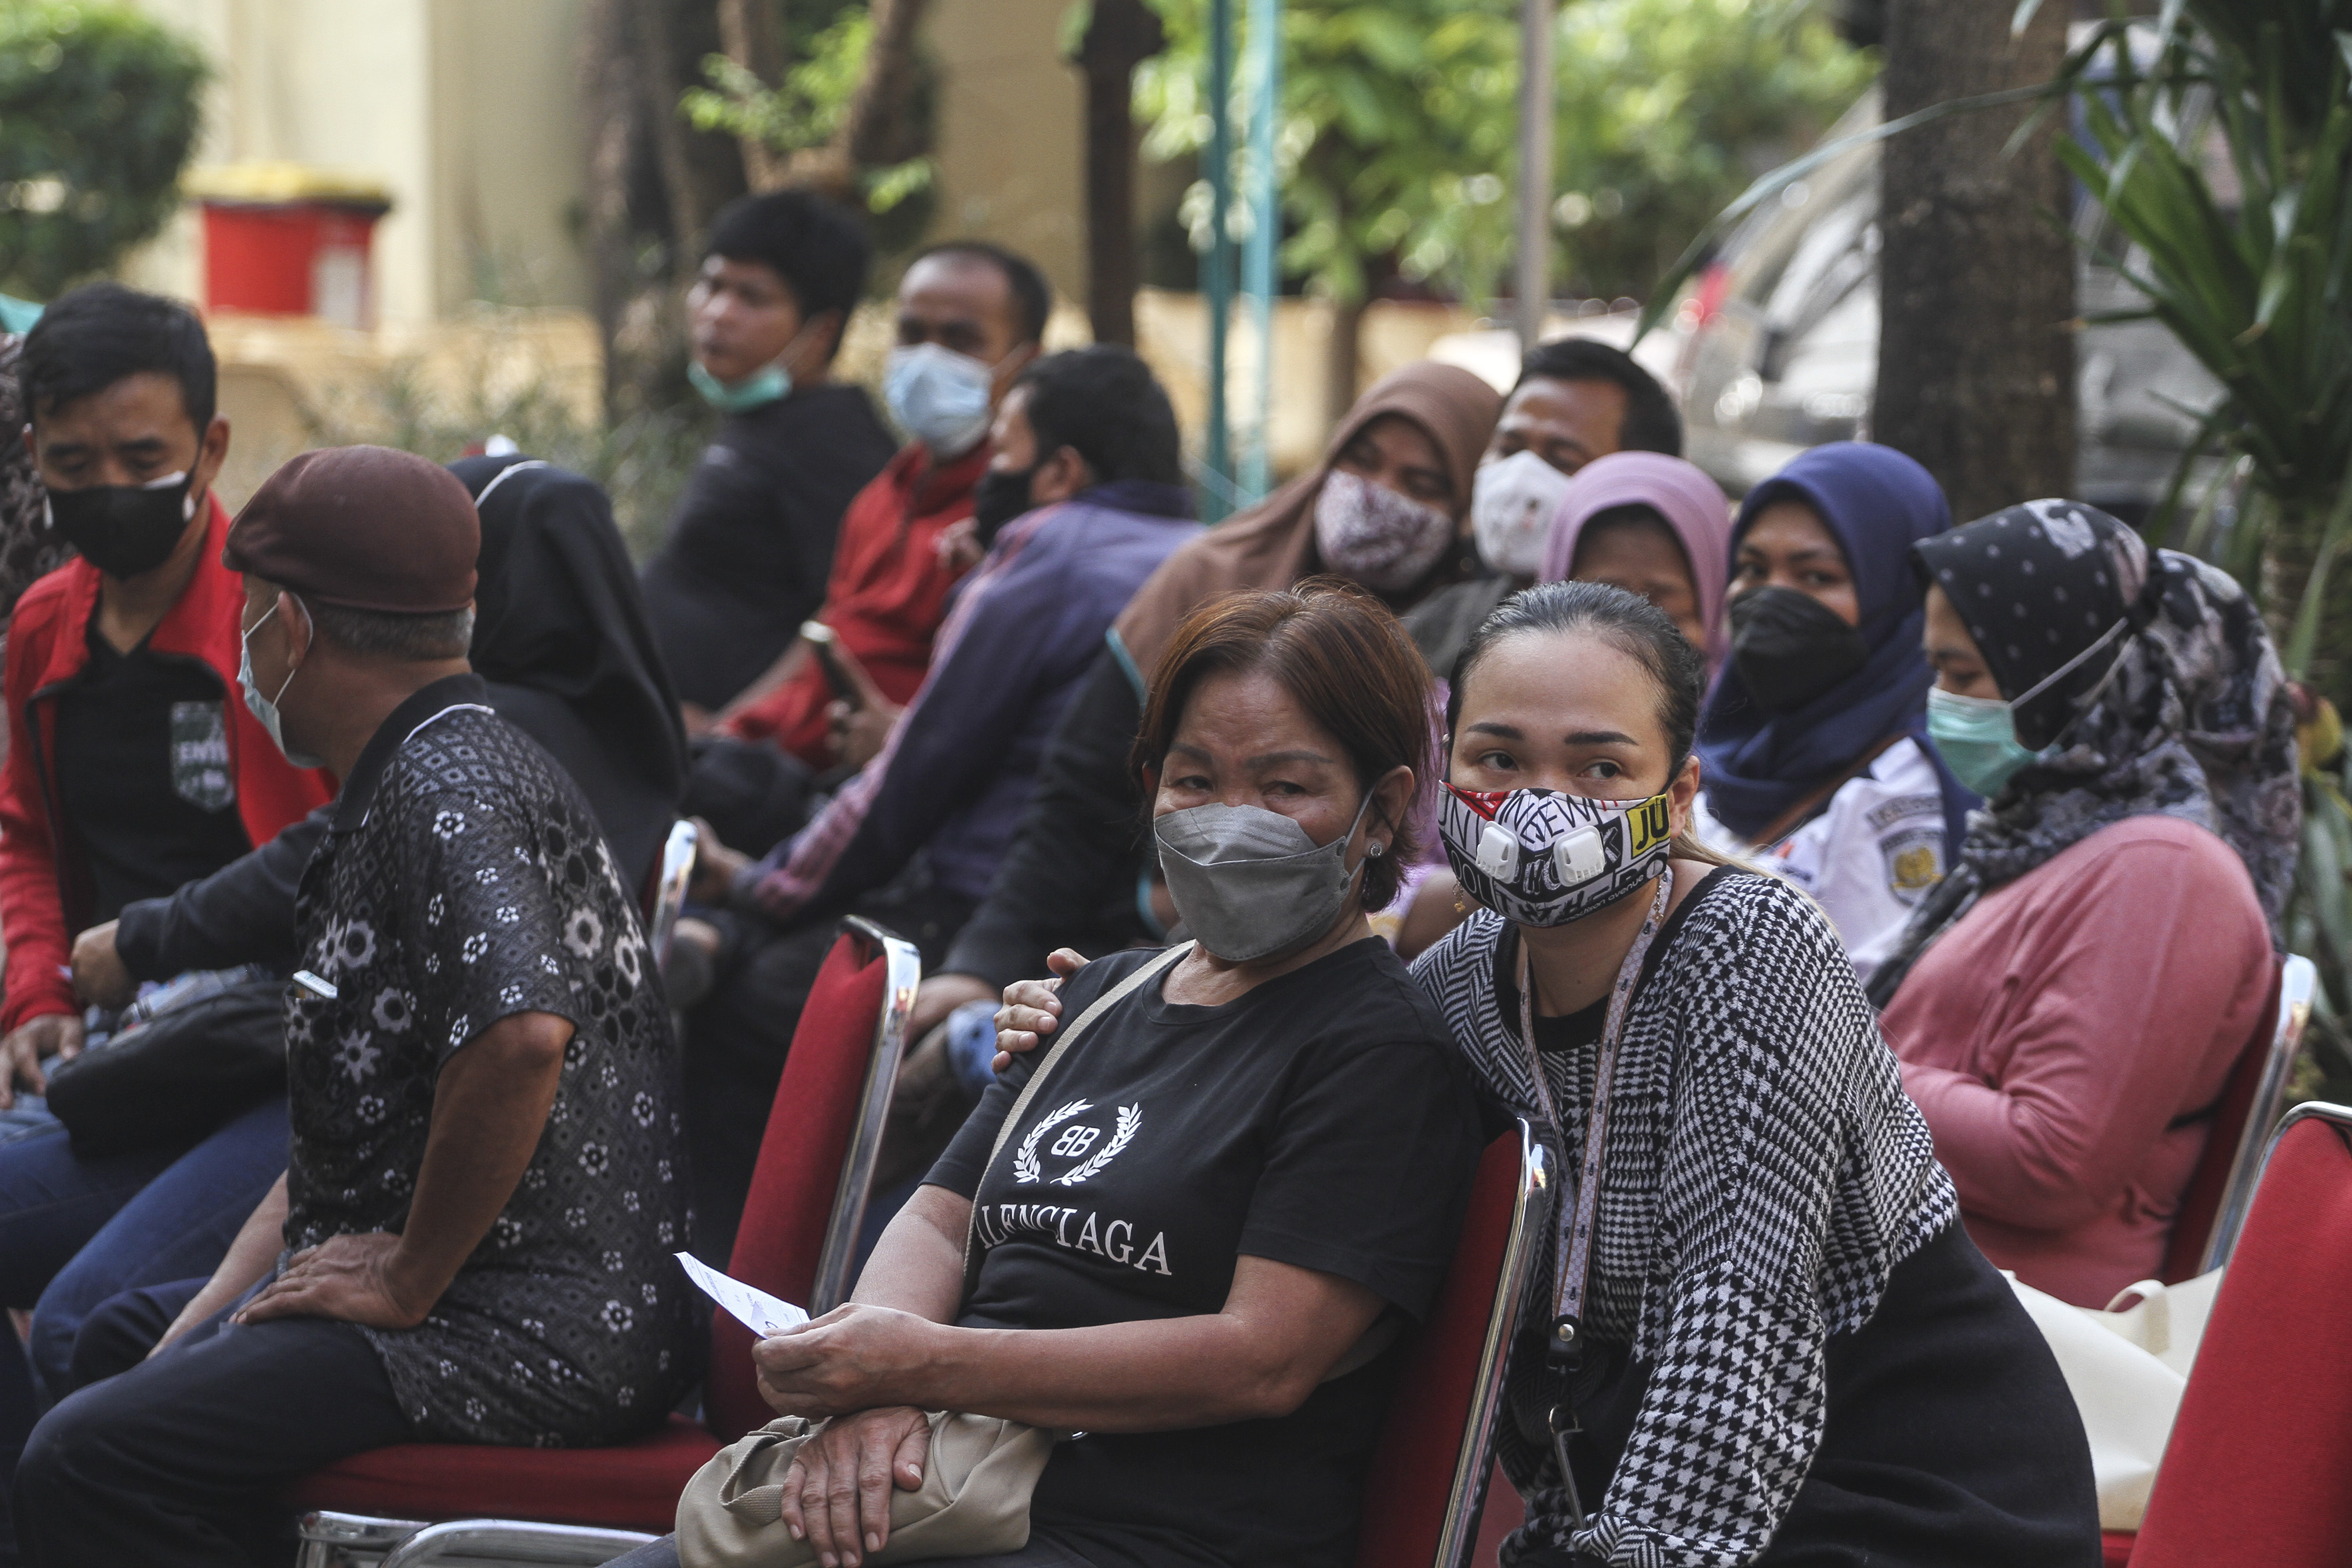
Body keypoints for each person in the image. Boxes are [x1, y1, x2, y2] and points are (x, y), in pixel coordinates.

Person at [605, 581, 1483, 1568]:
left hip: (1143, 1532)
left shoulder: (1377, 1053)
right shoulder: (1096, 996)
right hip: (947, 1474)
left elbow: (1259, 1359)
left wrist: (926, 1365)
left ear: (1383, 812)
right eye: (1195, 780)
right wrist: (881, 1389)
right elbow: (941, 1215)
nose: (1233, 821)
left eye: (1285, 789)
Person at [11, 446, 694, 1567]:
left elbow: (522, 1039)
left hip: (523, 1324)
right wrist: (219, 1317)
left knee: (86, 1459)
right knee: (122, 1339)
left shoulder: (451, 791)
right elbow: (362, 1112)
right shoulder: (408, 769)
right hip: (453, 1280)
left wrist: (412, 1270)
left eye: (248, 615)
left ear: (293, 627)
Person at [676, 346, 1196, 1258]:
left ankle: (737, 1286)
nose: (986, 475)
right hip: (1103, 914)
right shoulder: (1196, 550)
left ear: (1061, 470)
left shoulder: (1052, 545)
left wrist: (760, 885)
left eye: (1004, 450)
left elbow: (912, 776)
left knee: (755, 999)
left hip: (976, 909)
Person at [911, 362, 1502, 1041]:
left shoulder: (1477, 650)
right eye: (1361, 461)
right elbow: (1074, 802)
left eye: (1421, 485)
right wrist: (982, 965)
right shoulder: (1211, 583)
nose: (1377, 496)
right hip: (1124, 942)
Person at [1873, 500, 2294, 1308]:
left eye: (1964, 673)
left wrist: (1831, 1060)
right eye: (1936, 670)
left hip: (2008, 1331)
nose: (1941, 701)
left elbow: (2052, 1159)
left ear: (2078, 672)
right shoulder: (2041, 837)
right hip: (1930, 1294)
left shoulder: (2165, 871)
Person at [0, 284, 335, 1106]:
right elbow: (28, 837)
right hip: (110, 1041)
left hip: (278, 1057)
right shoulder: (43, 629)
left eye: (143, 461)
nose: (109, 486)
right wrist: (40, 995)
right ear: (34, 451)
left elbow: (334, 858)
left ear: (211, 448)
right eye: (74, 464)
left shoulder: (283, 628)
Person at [705, 241, 1051, 786]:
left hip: (877, 788)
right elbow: (828, 629)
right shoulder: (885, 491)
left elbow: (1008, 711)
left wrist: (902, 738)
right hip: (775, 752)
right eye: (912, 334)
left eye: (960, 340)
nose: (927, 359)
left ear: (1023, 364)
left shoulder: (1021, 519)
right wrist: (722, 731)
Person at [1692, 442, 1977, 982]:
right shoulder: (1712, 744)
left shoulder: (1903, 785)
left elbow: (1868, 1008)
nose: (1772, 598)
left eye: (1816, 577)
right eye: (1752, 568)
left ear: (1896, 596)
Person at [639, 190, 898, 718]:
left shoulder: (833, 440)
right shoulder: (760, 417)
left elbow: (846, 617)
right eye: (711, 286)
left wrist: (730, 727)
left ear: (821, 330)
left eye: (753, 298)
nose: (717, 313)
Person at [1417, 338, 1685, 674]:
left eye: (1562, 459)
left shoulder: (1665, 653)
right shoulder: (1438, 624)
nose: (1519, 477)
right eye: (1508, 449)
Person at [1537, 450, 1732, 678]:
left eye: (1665, 616)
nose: (1632, 639)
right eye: (1603, 606)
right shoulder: (1509, 698)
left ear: (1713, 606)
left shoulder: (1747, 707)